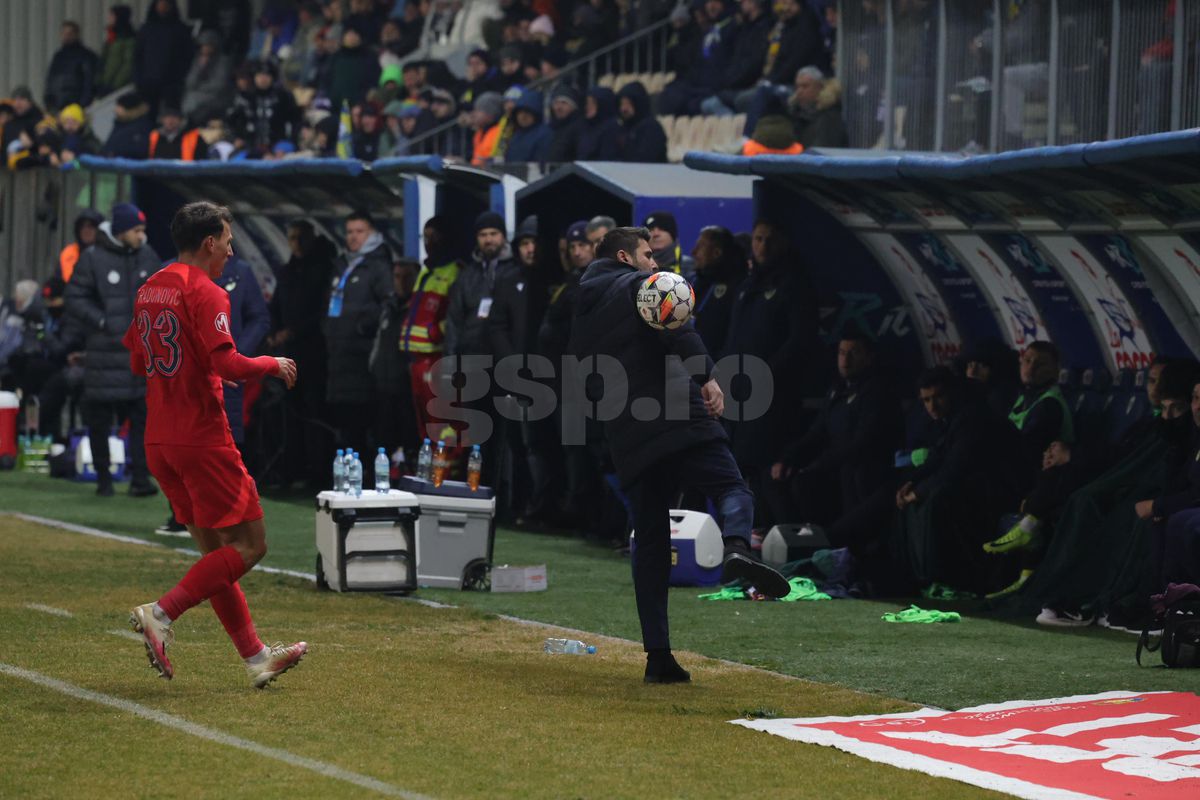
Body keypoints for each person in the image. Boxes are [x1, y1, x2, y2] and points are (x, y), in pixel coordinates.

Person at [570, 226, 789, 684]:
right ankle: (734, 548)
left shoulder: (583, 305)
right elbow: (677, 328)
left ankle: (658, 657)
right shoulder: (645, 284)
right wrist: (707, 377)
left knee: (649, 542)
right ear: (628, 258)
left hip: (627, 434)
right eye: (648, 254)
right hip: (680, 416)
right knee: (731, 487)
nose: (655, 262)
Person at [122, 200, 306, 687]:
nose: (230, 249)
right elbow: (228, 366)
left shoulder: (149, 287)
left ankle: (256, 658)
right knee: (250, 544)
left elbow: (139, 361)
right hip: (201, 439)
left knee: (214, 558)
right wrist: (271, 363)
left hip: (159, 439)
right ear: (209, 242)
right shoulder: (206, 292)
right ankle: (162, 613)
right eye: (226, 240)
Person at [65, 203, 160, 498]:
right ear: (120, 231)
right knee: (99, 420)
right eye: (137, 230)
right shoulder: (93, 258)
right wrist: (102, 320)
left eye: (143, 229)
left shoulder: (147, 255)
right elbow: (75, 297)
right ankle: (104, 479)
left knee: (143, 421)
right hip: (104, 354)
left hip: (138, 358)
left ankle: (141, 480)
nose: (142, 235)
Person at [767, 334, 902, 529]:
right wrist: (788, 458)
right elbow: (816, 433)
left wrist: (819, 465)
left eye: (853, 353)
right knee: (773, 478)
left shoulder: (877, 393)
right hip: (833, 465)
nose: (845, 361)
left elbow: (862, 444)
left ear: (869, 357)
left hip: (862, 470)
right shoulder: (836, 391)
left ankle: (827, 544)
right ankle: (789, 540)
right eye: (841, 353)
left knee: (816, 482)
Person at [323, 211, 393, 481]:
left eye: (359, 231)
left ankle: (366, 480)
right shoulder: (341, 264)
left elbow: (388, 305)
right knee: (343, 426)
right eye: (349, 231)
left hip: (363, 362)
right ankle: (345, 476)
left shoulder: (377, 266)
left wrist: (364, 327)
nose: (353, 237)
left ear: (372, 234)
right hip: (338, 359)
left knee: (363, 425)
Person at [267, 220, 336, 489]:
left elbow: (321, 312)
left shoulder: (323, 270)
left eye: (300, 238)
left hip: (313, 354)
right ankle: (290, 469)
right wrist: (274, 332)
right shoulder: (287, 271)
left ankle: (317, 472)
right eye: (291, 237)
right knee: (289, 415)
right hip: (288, 356)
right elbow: (275, 305)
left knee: (314, 414)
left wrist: (292, 332)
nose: (295, 243)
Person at [370, 259, 420, 463]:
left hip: (409, 387)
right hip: (384, 385)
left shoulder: (419, 308)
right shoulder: (387, 307)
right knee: (382, 444)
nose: (401, 282)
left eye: (407, 277)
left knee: (411, 443)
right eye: (397, 277)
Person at [688, 225, 746, 356]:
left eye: (700, 246)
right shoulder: (693, 281)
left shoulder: (737, 287)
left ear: (717, 253)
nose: (693, 252)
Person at [227, 60, 301, 158]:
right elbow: (231, 123)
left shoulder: (283, 96)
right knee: (237, 160)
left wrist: (289, 142)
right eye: (259, 75)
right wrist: (235, 138)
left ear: (272, 78)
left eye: (266, 75)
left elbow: (296, 120)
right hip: (251, 146)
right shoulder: (245, 98)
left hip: (279, 144)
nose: (263, 79)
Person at [134, 0, 195, 115]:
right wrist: (139, 80)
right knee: (148, 115)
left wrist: (179, 78)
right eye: (160, 4)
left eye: (166, 5)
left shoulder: (180, 29)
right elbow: (138, 57)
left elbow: (187, 57)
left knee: (171, 116)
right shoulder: (146, 29)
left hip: (172, 83)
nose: (162, 8)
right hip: (148, 83)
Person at [44, 21, 99, 113]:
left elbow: (89, 82)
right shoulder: (58, 56)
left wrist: (82, 104)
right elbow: (51, 80)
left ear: (76, 34)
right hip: (57, 106)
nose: (66, 36)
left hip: (75, 106)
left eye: (69, 33)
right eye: (64, 33)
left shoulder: (86, 56)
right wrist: (48, 100)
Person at [182, 30, 234, 127]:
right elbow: (189, 82)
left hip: (215, 99)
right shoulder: (198, 60)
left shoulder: (223, 61)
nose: (205, 48)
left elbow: (219, 85)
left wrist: (198, 87)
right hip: (196, 99)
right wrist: (201, 67)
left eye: (208, 45)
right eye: (203, 45)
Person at [615, 82, 667, 163]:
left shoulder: (651, 128)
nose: (624, 108)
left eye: (628, 104)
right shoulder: (623, 128)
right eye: (622, 104)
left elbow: (645, 159)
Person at [642, 211, 696, 282]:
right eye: (651, 230)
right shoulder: (638, 267)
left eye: (662, 229)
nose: (656, 234)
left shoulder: (690, 267)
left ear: (672, 235)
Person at [98, 5, 137, 96]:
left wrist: (115, 85)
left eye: (112, 16)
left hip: (118, 88)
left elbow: (128, 64)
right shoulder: (111, 38)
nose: (109, 18)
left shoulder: (128, 39)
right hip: (106, 85)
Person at [103, 92, 154, 159]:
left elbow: (141, 150)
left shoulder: (142, 127)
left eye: (119, 107)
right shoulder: (119, 124)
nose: (115, 110)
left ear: (129, 109)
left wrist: (115, 153)